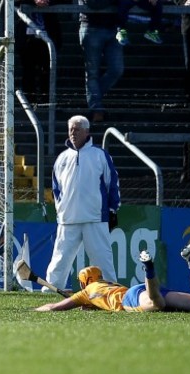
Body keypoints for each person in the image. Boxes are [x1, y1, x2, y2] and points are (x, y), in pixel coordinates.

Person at [35, 233, 190, 313]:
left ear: (84, 283)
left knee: (157, 304)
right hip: (138, 291)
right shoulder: (107, 284)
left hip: (129, 300)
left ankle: (149, 269)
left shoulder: (86, 293)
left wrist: (35, 309)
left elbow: (54, 308)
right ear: (100, 277)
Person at [44, 115, 120, 293]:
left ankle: (110, 290)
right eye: (70, 129)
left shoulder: (100, 156)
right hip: (68, 219)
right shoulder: (61, 158)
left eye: (77, 129)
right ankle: (51, 289)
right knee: (60, 257)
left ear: (87, 132)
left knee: (102, 258)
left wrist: (112, 209)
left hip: (95, 217)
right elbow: (56, 189)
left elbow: (112, 184)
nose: (73, 133)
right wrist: (61, 210)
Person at [79, 0, 125, 122]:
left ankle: (94, 98)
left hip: (114, 27)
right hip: (91, 27)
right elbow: (93, 3)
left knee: (117, 69)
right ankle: (96, 108)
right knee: (92, 72)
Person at [14, 0, 63, 103]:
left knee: (47, 70)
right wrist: (34, 1)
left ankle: (47, 101)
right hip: (27, 37)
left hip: (49, 33)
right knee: (28, 70)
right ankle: (29, 100)